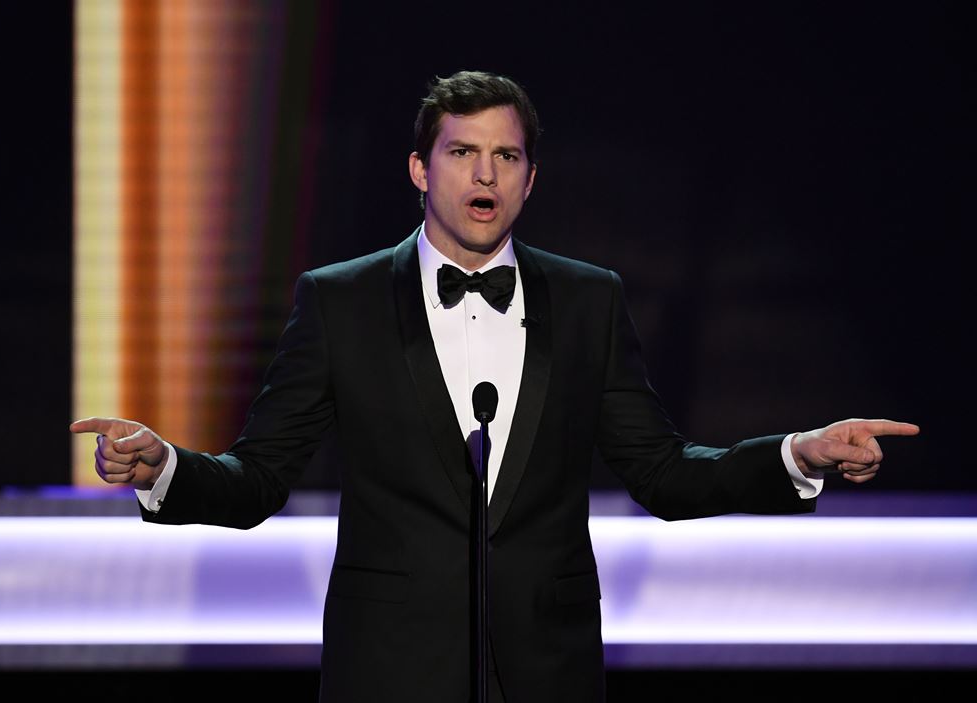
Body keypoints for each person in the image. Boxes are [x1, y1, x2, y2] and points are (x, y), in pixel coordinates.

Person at [71, 70, 919, 702]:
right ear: (418, 168)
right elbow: (259, 478)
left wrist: (797, 453)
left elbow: (664, 472)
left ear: (531, 177)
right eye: (463, 153)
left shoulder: (590, 300)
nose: (485, 176)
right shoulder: (340, 300)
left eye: (505, 155)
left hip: (545, 674)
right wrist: (163, 468)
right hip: (389, 675)